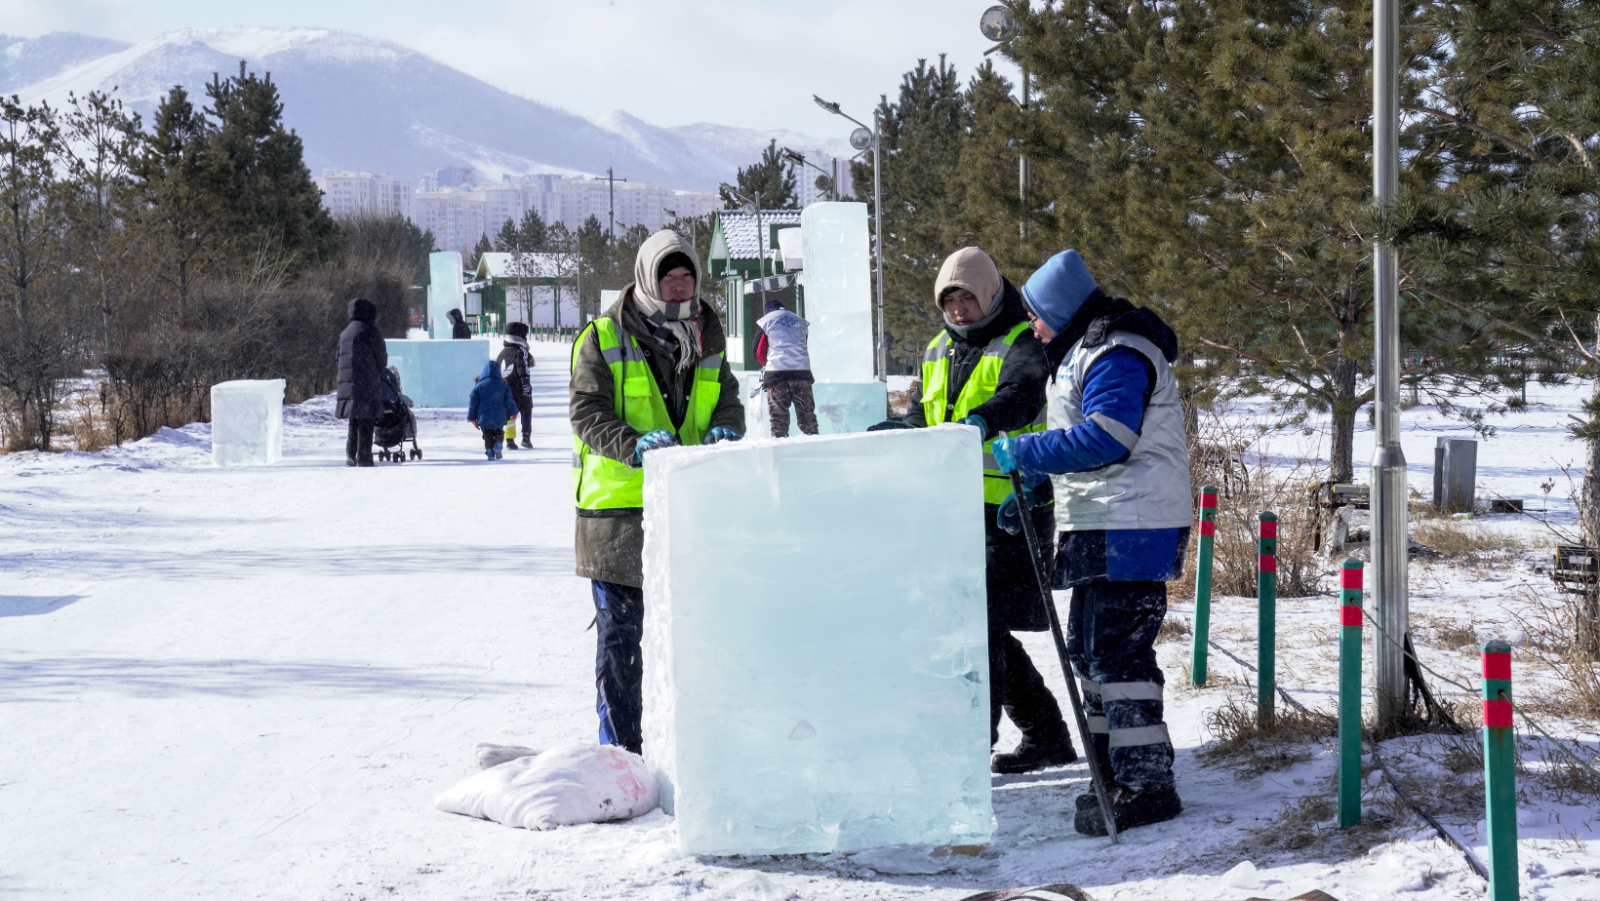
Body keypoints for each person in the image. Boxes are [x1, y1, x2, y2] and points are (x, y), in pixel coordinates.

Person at [991, 249, 1191, 836]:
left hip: (1132, 525)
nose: (1032, 326)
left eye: (1037, 314)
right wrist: (1036, 489)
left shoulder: (1118, 351)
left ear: (1062, 307)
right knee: (1089, 653)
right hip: (1104, 522)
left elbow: (1108, 438)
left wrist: (1024, 452)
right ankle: (1114, 772)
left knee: (1117, 657)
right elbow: (1081, 444)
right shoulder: (1084, 350)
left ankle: (1147, 783)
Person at [871, 247, 1077, 774]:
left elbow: (1022, 396)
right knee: (981, 628)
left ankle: (969, 748)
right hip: (949, 510)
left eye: (967, 297)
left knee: (979, 629)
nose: (959, 309)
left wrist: (982, 422)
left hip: (1009, 507)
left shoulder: (1020, 341)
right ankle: (1046, 733)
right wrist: (905, 428)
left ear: (988, 294)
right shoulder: (939, 346)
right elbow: (926, 410)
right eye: (949, 299)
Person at [569, 229, 746, 754]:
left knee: (690, 638)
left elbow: (728, 398)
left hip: (687, 506)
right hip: (618, 514)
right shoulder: (603, 336)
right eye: (667, 277)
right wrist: (634, 445)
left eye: (686, 276)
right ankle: (621, 755)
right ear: (647, 277)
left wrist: (728, 428)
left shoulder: (706, 333)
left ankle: (683, 755)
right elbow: (585, 413)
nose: (677, 286)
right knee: (622, 643)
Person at [755, 299, 818, 437]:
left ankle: (779, 452)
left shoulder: (766, 321)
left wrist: (769, 365)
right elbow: (802, 345)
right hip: (802, 375)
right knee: (808, 419)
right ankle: (815, 448)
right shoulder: (800, 321)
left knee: (779, 422)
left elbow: (758, 352)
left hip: (777, 376)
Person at [336, 297, 387, 467]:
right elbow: (381, 358)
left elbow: (338, 358)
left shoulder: (345, 333)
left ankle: (350, 455)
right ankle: (364, 457)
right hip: (367, 382)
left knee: (354, 419)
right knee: (366, 420)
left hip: (348, 383)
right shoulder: (370, 331)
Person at [468, 360, 519, 460]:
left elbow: (472, 404)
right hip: (499, 416)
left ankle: (490, 451)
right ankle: (498, 446)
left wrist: (472, 417)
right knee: (499, 432)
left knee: (487, 435)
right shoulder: (503, 386)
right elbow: (509, 400)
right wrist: (514, 411)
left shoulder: (478, 386)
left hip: (484, 417)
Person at [499, 322, 535, 449]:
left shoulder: (503, 352)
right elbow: (523, 369)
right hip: (519, 387)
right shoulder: (521, 351)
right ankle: (526, 437)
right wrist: (526, 388)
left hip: (505, 389)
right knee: (526, 410)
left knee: (509, 413)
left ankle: (509, 439)